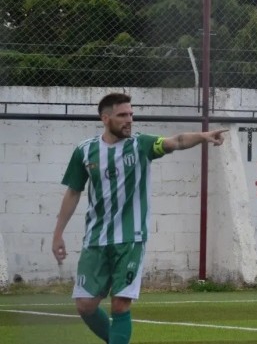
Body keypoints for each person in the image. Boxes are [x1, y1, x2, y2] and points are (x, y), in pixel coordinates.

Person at [51, 93, 228, 344]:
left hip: (131, 239)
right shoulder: (84, 151)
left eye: (131, 114)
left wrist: (203, 137)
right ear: (106, 118)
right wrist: (58, 233)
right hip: (95, 239)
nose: (129, 120)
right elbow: (73, 192)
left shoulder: (141, 145)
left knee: (120, 304)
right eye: (123, 115)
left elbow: (175, 141)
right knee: (85, 305)